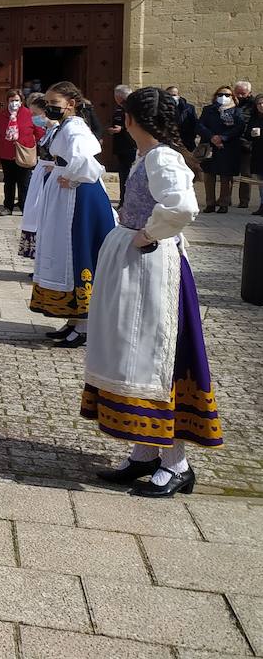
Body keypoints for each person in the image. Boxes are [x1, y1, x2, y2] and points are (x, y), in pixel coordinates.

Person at [81, 87, 221, 497]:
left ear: (131, 119)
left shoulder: (161, 156)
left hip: (154, 272)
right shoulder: (147, 155)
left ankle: (177, 463)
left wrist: (146, 234)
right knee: (132, 355)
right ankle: (146, 452)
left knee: (155, 358)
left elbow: (181, 206)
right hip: (136, 265)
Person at [28, 82, 117, 348]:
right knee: (63, 250)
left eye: (55, 103)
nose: (50, 107)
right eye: (48, 103)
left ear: (71, 104)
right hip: (66, 194)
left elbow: (87, 159)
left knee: (77, 251)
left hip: (79, 198)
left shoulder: (76, 126)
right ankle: (73, 319)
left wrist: (72, 176)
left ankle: (85, 326)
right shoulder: (64, 126)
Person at [197, 84, 244, 214]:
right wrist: (212, 137)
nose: (223, 97)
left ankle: (224, 203)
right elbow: (200, 126)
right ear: (215, 96)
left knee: (225, 177)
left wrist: (223, 138)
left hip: (228, 147)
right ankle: (210, 203)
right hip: (210, 147)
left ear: (232, 97)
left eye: (227, 95)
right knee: (209, 176)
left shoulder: (237, 111)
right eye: (220, 94)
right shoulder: (209, 110)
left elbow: (239, 128)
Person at [0, 89, 40, 216]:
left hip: (24, 153)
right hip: (7, 154)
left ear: (21, 101)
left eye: (17, 100)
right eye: (12, 100)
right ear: (7, 101)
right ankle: (8, 207)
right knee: (9, 182)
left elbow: (39, 133)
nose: (14, 103)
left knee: (24, 183)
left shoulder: (29, 114)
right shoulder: (1, 116)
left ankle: (25, 206)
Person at [18, 94, 52, 260]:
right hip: (41, 175)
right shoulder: (48, 130)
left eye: (35, 114)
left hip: (50, 178)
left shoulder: (60, 130)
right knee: (35, 214)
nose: (33, 118)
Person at [107, 85, 138, 207]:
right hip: (122, 146)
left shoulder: (133, 107)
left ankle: (129, 201)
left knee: (130, 174)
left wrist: (122, 129)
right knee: (123, 174)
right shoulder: (120, 108)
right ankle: (123, 200)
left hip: (131, 145)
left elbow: (138, 124)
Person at [234, 81, 256, 209]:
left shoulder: (254, 105)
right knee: (228, 172)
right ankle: (225, 199)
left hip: (247, 144)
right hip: (231, 142)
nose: (240, 96)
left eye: (243, 93)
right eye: (238, 93)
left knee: (245, 174)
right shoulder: (231, 103)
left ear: (249, 93)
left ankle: (244, 200)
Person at [165, 86, 198, 152]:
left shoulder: (189, 108)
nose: (172, 97)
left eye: (174, 95)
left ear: (178, 96)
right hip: (169, 143)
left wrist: (190, 138)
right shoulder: (163, 109)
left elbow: (194, 124)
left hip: (186, 142)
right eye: (169, 95)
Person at [246, 94, 263, 216]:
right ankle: (262, 205)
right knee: (261, 181)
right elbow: (247, 134)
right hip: (258, 153)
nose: (261, 105)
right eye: (259, 103)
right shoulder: (255, 118)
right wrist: (251, 133)